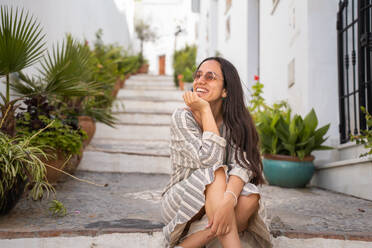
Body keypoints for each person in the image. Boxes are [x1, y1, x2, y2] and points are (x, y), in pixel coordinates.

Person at [161, 57, 272, 248]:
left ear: (225, 90)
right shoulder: (182, 117)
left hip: (219, 198)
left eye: (210, 77)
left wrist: (229, 200)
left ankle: (198, 239)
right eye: (198, 76)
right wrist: (205, 111)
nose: (201, 81)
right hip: (182, 199)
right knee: (216, 174)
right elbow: (210, 161)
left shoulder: (238, 122)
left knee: (249, 199)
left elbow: (243, 166)